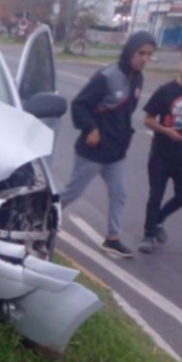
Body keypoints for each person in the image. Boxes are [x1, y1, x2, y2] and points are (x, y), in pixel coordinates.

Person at [58, 31, 157, 259]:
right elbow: (79, 105)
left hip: (116, 153)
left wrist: (119, 135)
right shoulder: (106, 77)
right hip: (92, 152)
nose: (144, 59)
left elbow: (124, 113)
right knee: (72, 193)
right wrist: (92, 129)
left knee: (119, 193)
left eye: (149, 55)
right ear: (129, 51)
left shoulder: (138, 78)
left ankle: (112, 238)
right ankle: (43, 215)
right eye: (141, 53)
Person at [139, 47, 182, 253]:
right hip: (162, 154)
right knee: (155, 196)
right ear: (180, 63)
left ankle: (158, 219)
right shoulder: (165, 91)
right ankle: (148, 235)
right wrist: (166, 131)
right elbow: (148, 119)